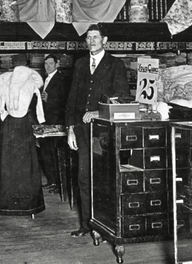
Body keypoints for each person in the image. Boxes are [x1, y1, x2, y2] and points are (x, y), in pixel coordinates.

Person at [65, 24, 129, 238]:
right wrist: (70, 128)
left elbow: (121, 98)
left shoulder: (115, 64)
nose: (91, 41)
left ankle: (105, 226)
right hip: (83, 131)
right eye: (88, 37)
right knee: (84, 177)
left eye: (95, 37)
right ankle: (87, 225)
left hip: (103, 132)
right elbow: (72, 98)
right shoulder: (80, 64)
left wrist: (97, 112)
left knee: (103, 178)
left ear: (104, 40)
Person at [0, 65, 46, 216]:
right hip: (19, 126)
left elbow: (2, 108)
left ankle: (11, 205)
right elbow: (37, 107)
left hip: (14, 126)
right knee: (17, 163)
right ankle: (18, 206)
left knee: (13, 163)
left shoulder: (19, 82)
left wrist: (4, 116)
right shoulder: (6, 81)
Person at [39, 54, 69, 192]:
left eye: (51, 63)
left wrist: (49, 99)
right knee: (46, 152)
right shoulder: (44, 79)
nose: (48, 66)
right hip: (45, 121)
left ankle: (59, 184)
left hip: (57, 122)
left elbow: (65, 100)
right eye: (46, 64)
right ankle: (52, 181)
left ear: (57, 64)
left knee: (56, 154)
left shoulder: (62, 79)